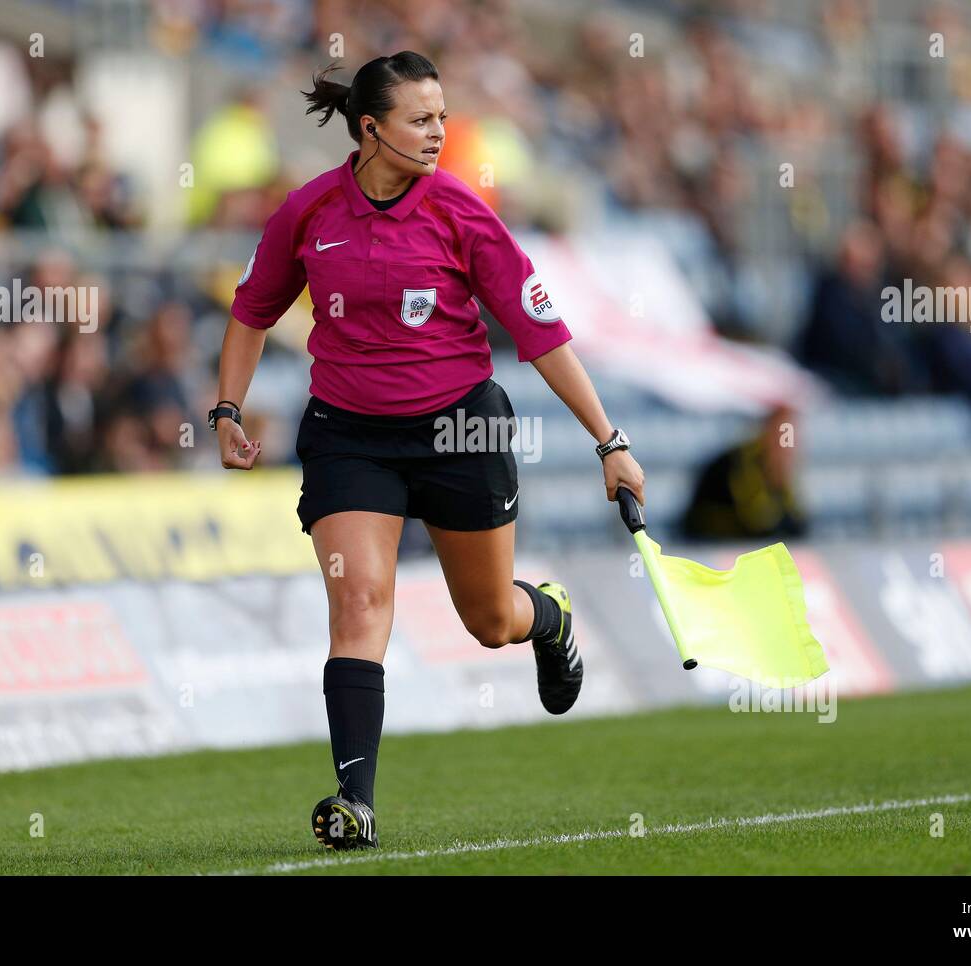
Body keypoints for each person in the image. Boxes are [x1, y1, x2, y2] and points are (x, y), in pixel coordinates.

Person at [210, 52, 645, 851]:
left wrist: (608, 440)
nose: (439, 132)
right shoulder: (307, 213)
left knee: (488, 620)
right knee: (360, 604)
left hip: (459, 432)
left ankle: (546, 617)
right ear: (370, 129)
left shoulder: (464, 212)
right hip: (349, 436)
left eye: (442, 116)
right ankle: (355, 801)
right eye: (421, 119)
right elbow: (251, 310)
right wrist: (227, 407)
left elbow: (540, 334)